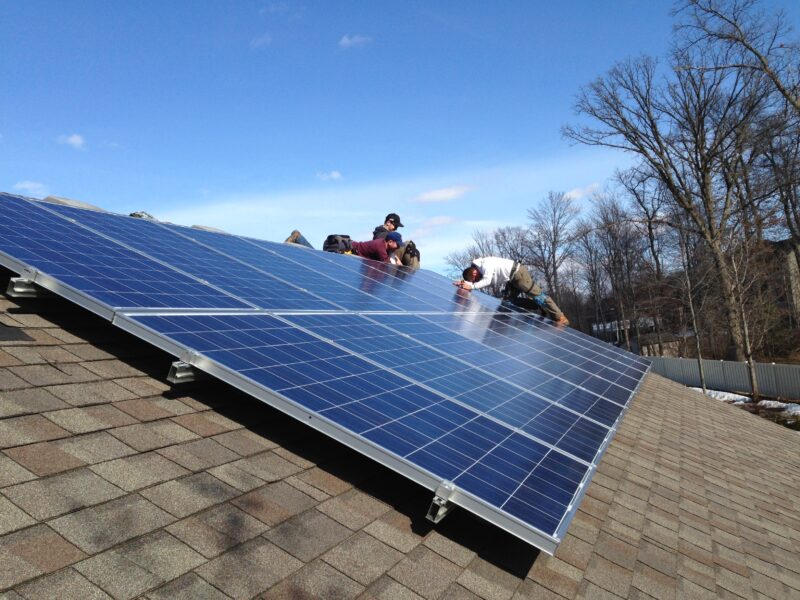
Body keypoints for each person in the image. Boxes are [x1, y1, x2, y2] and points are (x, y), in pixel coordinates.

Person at [454, 257, 570, 326]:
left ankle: (560, 317)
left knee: (538, 295)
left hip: (519, 274)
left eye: (475, 279)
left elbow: (487, 280)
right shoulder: (477, 267)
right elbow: (474, 282)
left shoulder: (485, 266)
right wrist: (465, 285)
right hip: (512, 278)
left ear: (474, 273)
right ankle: (536, 305)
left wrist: (472, 286)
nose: (477, 280)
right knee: (509, 302)